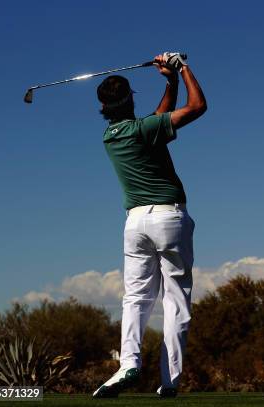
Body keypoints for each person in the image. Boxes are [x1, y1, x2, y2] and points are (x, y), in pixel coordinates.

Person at [92, 52, 207, 398]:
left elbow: (160, 117)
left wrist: (169, 80)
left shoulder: (112, 137)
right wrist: (183, 68)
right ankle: (169, 381)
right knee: (175, 300)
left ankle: (129, 363)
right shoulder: (146, 129)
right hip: (169, 218)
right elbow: (198, 106)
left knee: (136, 298)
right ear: (130, 101)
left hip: (134, 224)